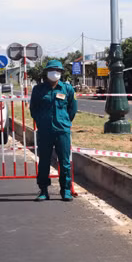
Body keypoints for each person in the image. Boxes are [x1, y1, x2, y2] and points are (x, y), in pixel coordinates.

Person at [29, 59, 78, 202]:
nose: (54, 73)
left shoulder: (67, 89)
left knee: (64, 161)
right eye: (52, 70)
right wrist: (42, 122)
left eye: (57, 70)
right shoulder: (38, 90)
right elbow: (34, 109)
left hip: (62, 130)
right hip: (45, 131)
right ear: (47, 72)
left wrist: (65, 121)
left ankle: (66, 190)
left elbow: (72, 109)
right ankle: (43, 190)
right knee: (44, 161)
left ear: (61, 73)